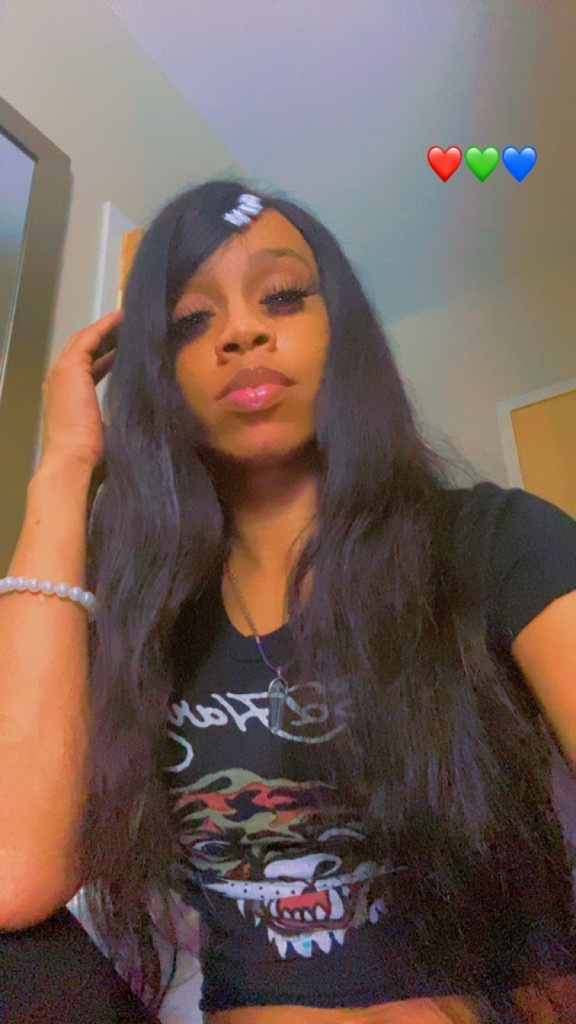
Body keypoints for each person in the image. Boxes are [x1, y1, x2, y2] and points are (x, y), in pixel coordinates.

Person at [1, 179, 576, 1024]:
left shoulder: (496, 541)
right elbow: (14, 875)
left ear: (342, 331)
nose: (241, 331)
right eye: (190, 321)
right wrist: (63, 468)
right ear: (159, 375)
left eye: (280, 296)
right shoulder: (146, 620)